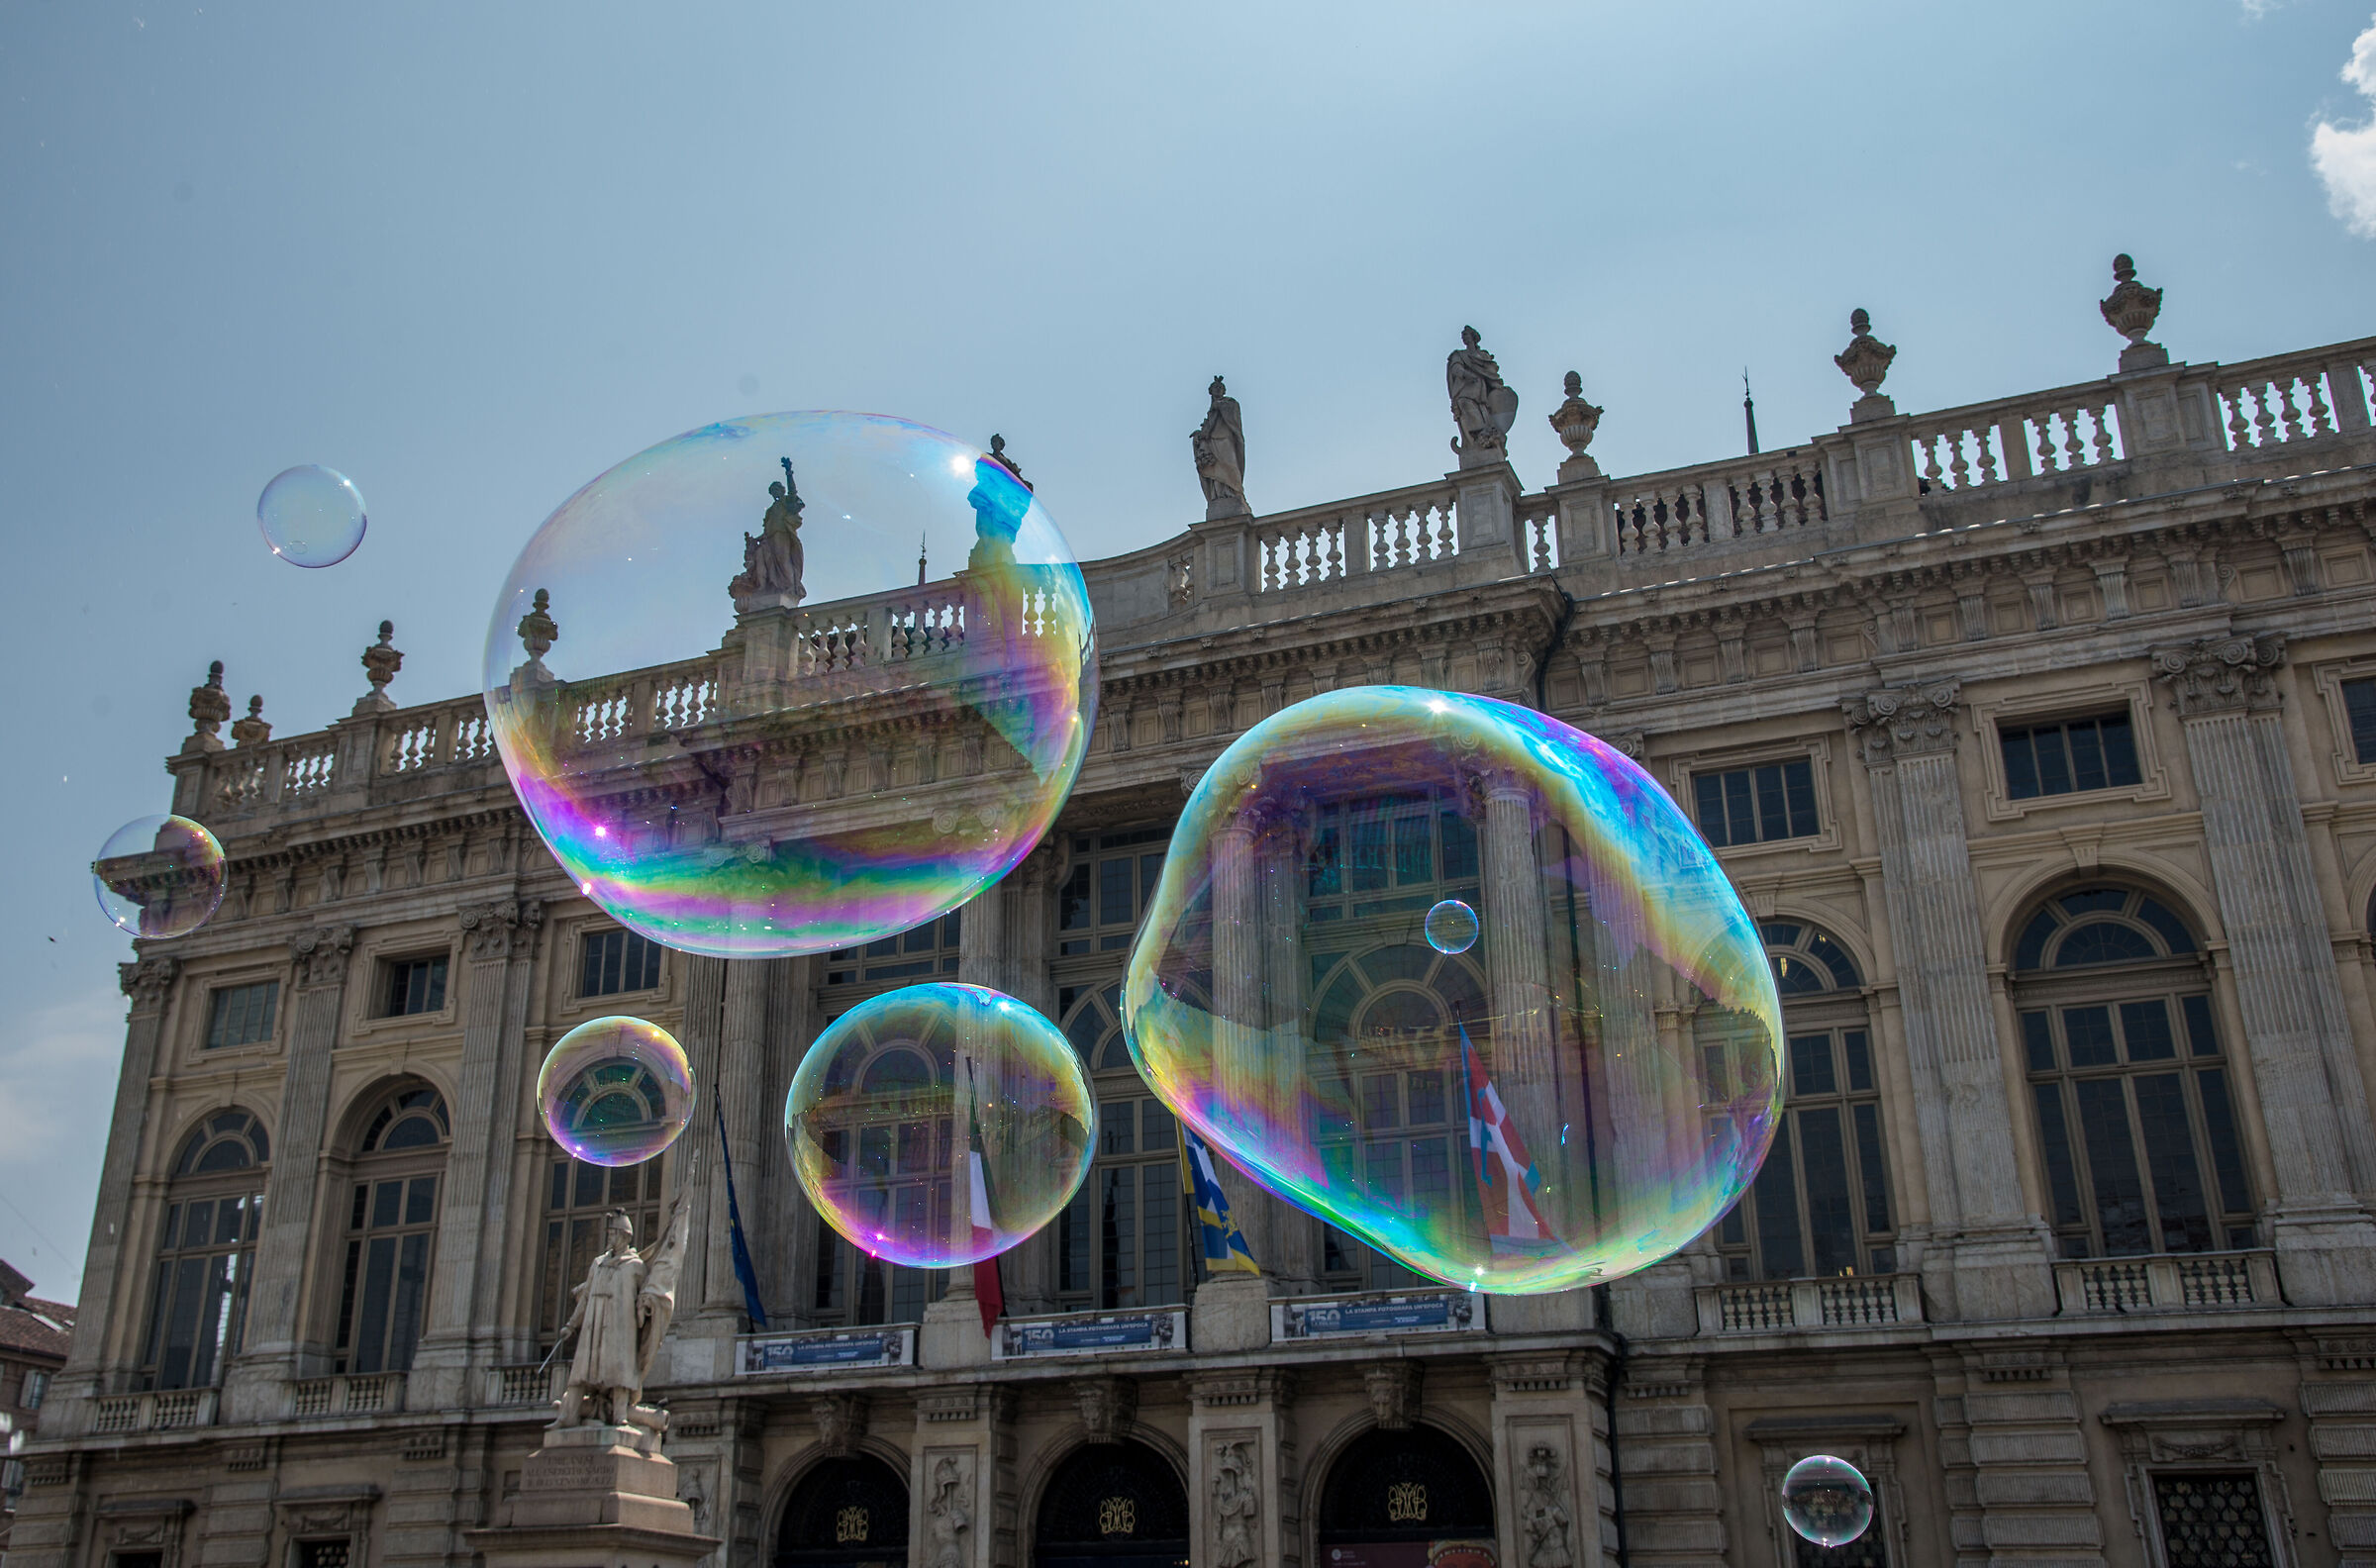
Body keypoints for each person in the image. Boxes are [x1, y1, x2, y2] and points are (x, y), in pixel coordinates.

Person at [550, 1185, 690, 1428]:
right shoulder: (598, 1264)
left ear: (625, 1236)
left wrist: (645, 1308)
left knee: (621, 1373)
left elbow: (644, 1293)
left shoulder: (635, 1266)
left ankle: (619, 1416)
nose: (609, 1238)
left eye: (613, 1234)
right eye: (609, 1234)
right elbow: (585, 1298)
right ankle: (566, 1417)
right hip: (594, 1328)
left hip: (620, 1328)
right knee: (580, 1374)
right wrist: (571, 1326)